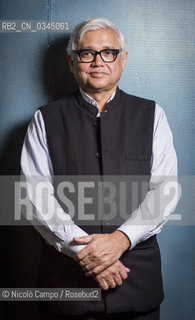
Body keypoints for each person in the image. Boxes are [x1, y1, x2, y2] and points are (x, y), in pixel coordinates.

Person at [20, 17, 178, 320]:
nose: (98, 62)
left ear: (123, 59)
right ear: (71, 61)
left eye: (108, 52)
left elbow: (165, 192)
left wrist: (121, 239)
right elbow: (35, 197)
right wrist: (85, 253)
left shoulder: (152, 115)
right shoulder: (45, 119)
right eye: (87, 53)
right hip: (67, 290)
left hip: (137, 284)